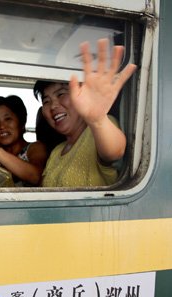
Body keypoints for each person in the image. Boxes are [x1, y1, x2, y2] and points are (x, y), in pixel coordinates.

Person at [34, 38, 137, 187]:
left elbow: (114, 152)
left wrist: (98, 120)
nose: (53, 106)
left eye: (61, 94)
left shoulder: (98, 129)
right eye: (46, 101)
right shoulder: (57, 151)